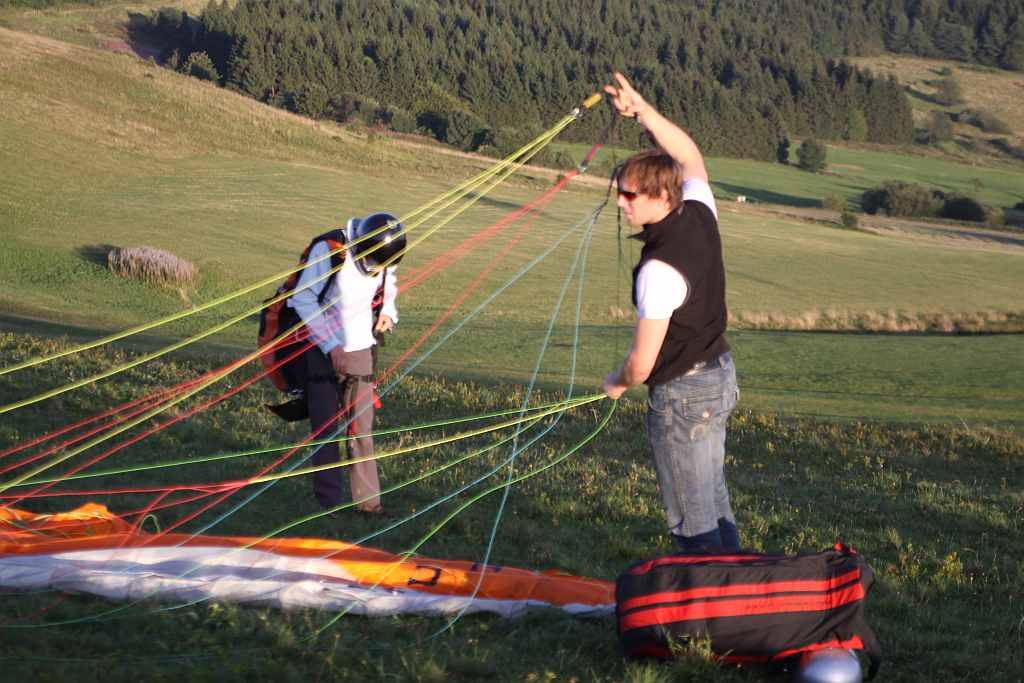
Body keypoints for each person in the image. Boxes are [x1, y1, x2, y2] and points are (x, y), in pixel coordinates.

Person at [601, 72, 741, 552]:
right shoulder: (697, 208)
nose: (621, 203)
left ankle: (711, 596)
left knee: (693, 519)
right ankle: (733, 584)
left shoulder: (658, 271)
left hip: (683, 395)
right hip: (719, 376)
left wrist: (617, 382)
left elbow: (642, 364)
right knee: (713, 503)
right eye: (620, 192)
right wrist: (643, 111)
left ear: (662, 196)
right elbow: (690, 156)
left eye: (630, 195)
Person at [288, 213, 404, 515]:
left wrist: (388, 310)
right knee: (325, 427)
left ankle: (369, 505)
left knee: (362, 428)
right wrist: (331, 346)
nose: (377, 269)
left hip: (361, 350)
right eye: (374, 263)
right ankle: (328, 505)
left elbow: (389, 281)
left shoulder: (384, 252)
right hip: (321, 350)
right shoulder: (330, 251)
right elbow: (302, 299)